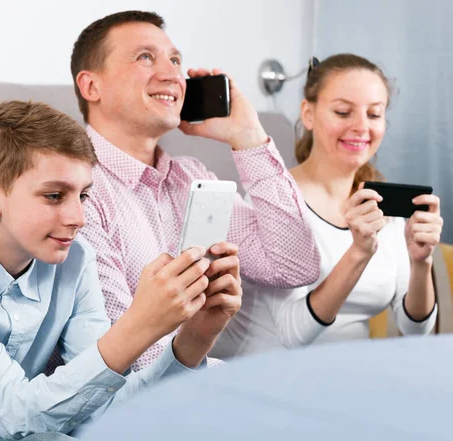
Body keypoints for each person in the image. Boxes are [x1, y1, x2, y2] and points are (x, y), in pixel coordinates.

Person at [0, 101, 242, 440]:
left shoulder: (74, 260)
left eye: (83, 195)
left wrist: (195, 338)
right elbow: (14, 414)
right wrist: (141, 324)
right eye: (54, 196)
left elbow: (103, 410)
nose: (79, 218)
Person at [70, 10, 321, 370]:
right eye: (145, 57)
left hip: (201, 387)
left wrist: (248, 137)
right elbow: (120, 357)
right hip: (143, 403)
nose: (173, 74)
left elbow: (294, 266)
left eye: (175, 60)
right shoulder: (75, 191)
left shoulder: (192, 179)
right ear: (91, 86)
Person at [211, 54, 442, 357]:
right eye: (343, 112)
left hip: (343, 376)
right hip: (267, 373)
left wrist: (421, 262)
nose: (361, 127)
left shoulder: (384, 207)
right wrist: (358, 252)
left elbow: (415, 328)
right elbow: (293, 333)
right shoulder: (274, 201)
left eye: (374, 114)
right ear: (308, 113)